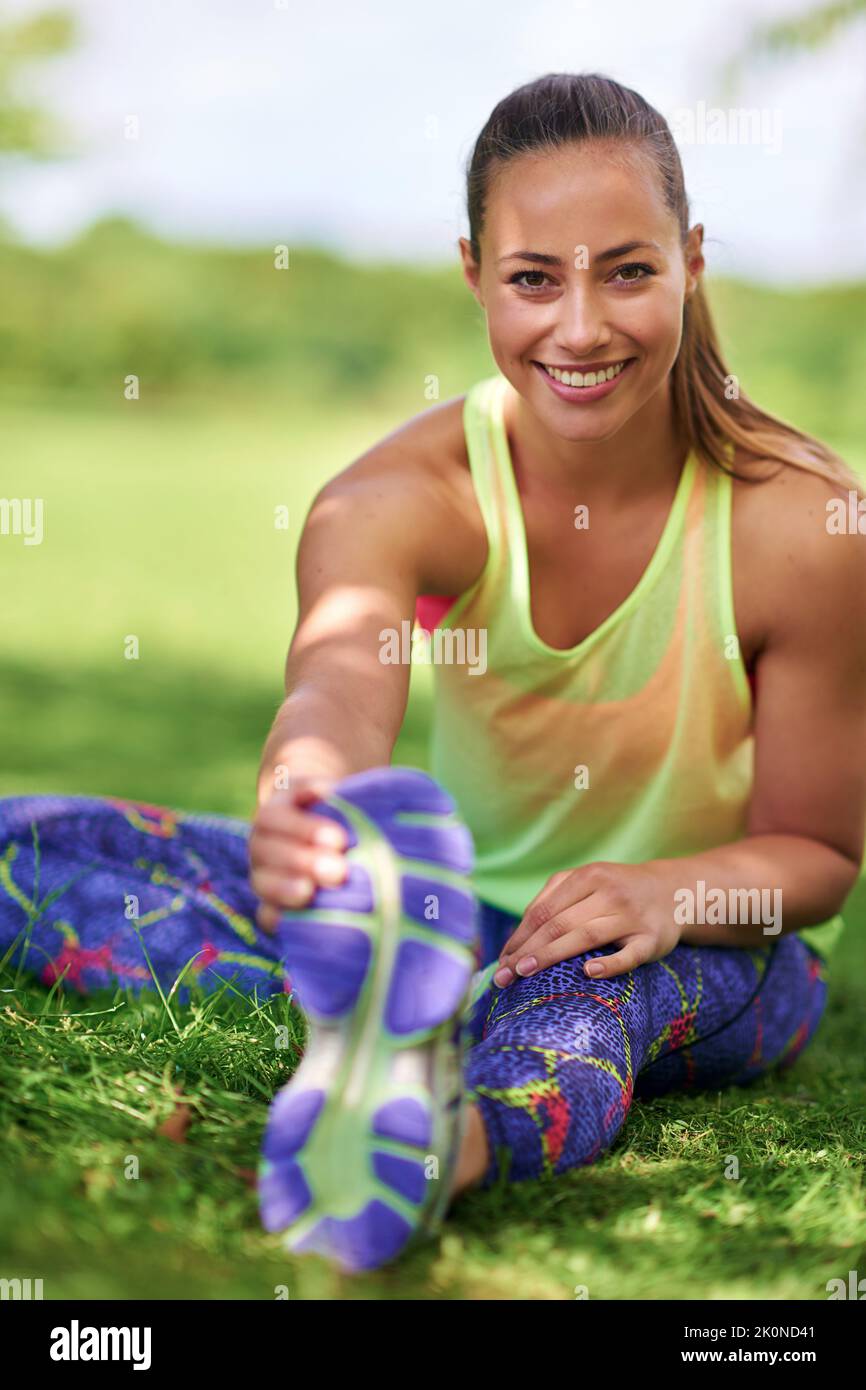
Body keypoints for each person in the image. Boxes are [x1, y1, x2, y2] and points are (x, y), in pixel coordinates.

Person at [2, 73, 865, 1276]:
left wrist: (670, 892)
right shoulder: (393, 498)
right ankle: (399, 1009)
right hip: (449, 921)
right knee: (30, 840)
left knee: (585, 1005)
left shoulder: (804, 526)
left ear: (691, 259)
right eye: (531, 279)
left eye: (625, 270)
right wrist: (307, 800)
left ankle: (422, 1147)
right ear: (473, 275)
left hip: (697, 944)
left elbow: (815, 859)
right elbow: (340, 684)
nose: (578, 327)